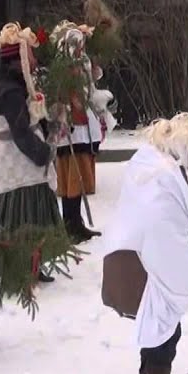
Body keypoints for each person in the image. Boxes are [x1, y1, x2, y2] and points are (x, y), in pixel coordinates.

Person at [99, 114, 188, 374]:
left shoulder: (150, 164)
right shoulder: (163, 177)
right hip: (144, 271)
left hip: (129, 261)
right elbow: (167, 235)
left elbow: (168, 227)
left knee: (163, 331)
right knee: (161, 337)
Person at [0, 23, 62, 283]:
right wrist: (42, 153)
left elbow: (28, 120)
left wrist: (50, 124)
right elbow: (20, 132)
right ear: (17, 61)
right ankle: (15, 268)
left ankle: (33, 263)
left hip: (23, 155)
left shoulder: (16, 85)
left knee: (33, 209)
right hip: (17, 157)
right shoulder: (9, 91)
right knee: (21, 211)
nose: (32, 62)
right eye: (28, 56)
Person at [47, 19, 115, 242]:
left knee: (77, 175)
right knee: (72, 177)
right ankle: (70, 226)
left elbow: (89, 85)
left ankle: (76, 224)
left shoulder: (81, 61)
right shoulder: (64, 65)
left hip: (82, 124)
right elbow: (60, 93)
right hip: (71, 127)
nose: (81, 48)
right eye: (79, 44)